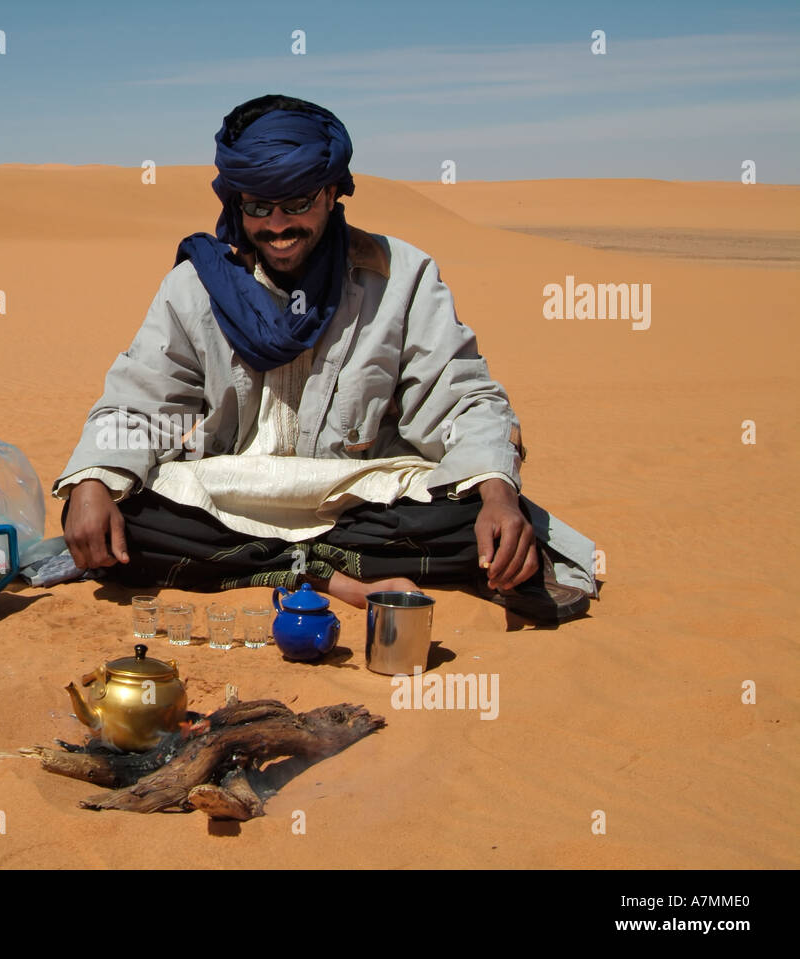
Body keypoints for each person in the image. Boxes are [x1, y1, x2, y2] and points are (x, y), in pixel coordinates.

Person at [54, 94, 595, 621]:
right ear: (235, 202)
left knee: (483, 510)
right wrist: (94, 481)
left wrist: (497, 494)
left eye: (298, 204)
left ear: (333, 192)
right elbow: (140, 401)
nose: (278, 226)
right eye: (259, 207)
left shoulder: (401, 277)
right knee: (117, 513)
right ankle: (329, 575)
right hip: (231, 499)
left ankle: (275, 568)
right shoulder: (196, 286)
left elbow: (459, 397)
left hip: (358, 499)